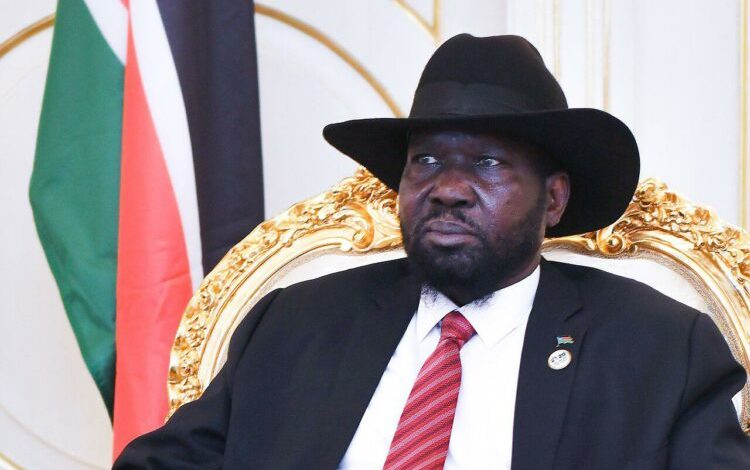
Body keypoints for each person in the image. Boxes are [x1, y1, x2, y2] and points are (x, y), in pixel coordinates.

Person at [113, 34, 750, 469]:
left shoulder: (660, 347)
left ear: (553, 199)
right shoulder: (294, 322)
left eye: (488, 163)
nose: (448, 188)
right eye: (426, 161)